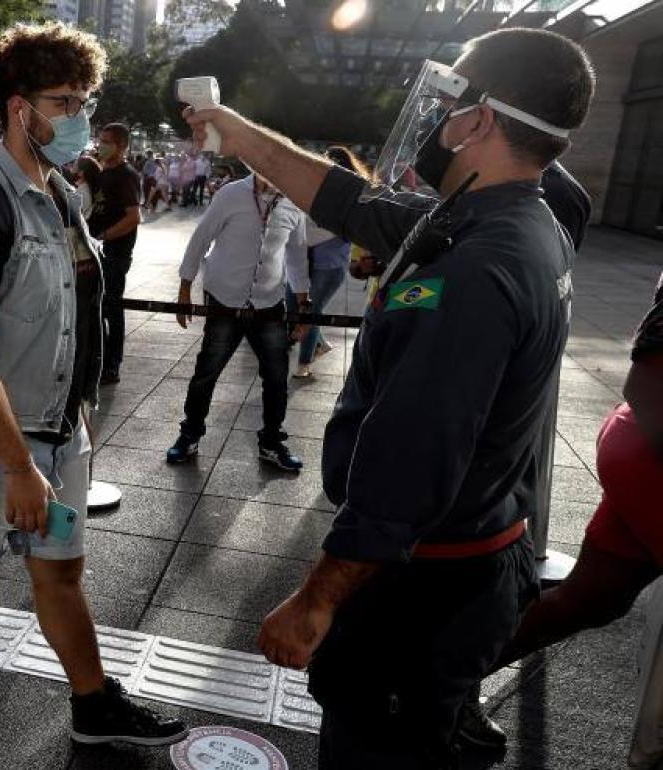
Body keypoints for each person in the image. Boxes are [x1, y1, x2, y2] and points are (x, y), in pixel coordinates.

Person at [185, 28, 595, 768]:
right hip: (464, 568)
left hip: (423, 589)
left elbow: (412, 459)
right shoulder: (512, 216)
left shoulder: (478, 266)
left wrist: (317, 599)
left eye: (452, 100)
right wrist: (238, 131)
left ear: (480, 120)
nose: (438, 115)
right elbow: (350, 199)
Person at [0, 22, 188, 766]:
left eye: (84, 100)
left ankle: (93, 704)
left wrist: (77, 414)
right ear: (16, 107)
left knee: (61, 567)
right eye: (64, 101)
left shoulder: (63, 196)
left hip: (60, 429)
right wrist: (16, 463)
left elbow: (72, 314)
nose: (80, 117)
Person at [464, 269, 663, 751]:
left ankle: (443, 685)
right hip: (652, 454)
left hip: (640, 449)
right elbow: (650, 384)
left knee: (592, 598)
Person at [166, 172, 308, 471]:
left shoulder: (293, 202)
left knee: (276, 377)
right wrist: (184, 287)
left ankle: (271, 441)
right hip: (225, 299)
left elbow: (296, 255)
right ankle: (189, 435)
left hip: (268, 303)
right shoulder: (231, 194)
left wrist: (303, 303)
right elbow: (201, 237)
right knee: (207, 371)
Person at [291, 146, 370, 378]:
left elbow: (328, 229)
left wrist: (303, 236)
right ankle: (319, 343)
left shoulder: (353, 196)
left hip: (330, 266)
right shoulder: (320, 191)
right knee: (299, 307)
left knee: (310, 311)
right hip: (306, 262)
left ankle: (304, 363)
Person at [86, 122, 141, 386]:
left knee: (112, 308)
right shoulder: (104, 171)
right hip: (97, 249)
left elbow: (133, 217)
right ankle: (98, 360)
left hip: (114, 253)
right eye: (100, 139)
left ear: (121, 146)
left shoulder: (126, 174)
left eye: (108, 141)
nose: (101, 144)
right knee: (98, 307)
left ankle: (112, 365)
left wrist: (104, 237)